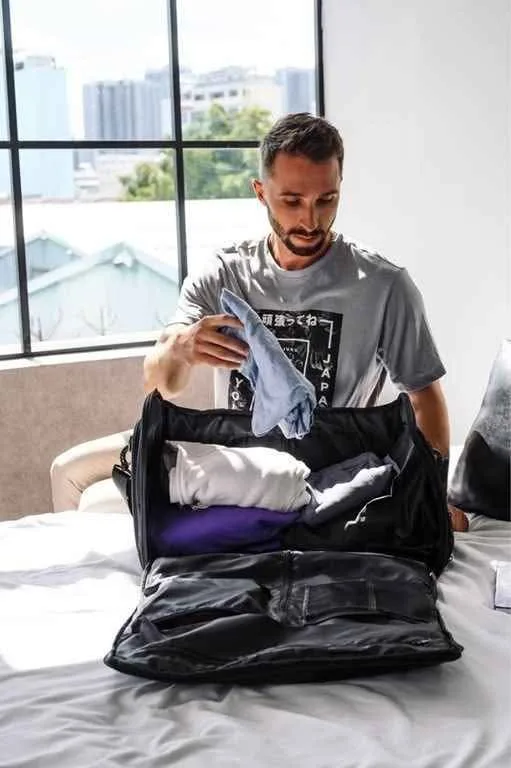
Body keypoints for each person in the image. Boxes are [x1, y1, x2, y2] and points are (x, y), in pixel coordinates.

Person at [52, 112, 467, 530]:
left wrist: (431, 493)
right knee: (67, 470)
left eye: (327, 200)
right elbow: (163, 383)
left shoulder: (383, 285)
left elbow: (423, 397)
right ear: (260, 192)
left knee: (105, 505)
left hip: (326, 462)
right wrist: (181, 347)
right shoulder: (223, 273)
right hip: (231, 453)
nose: (311, 220)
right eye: (292, 201)